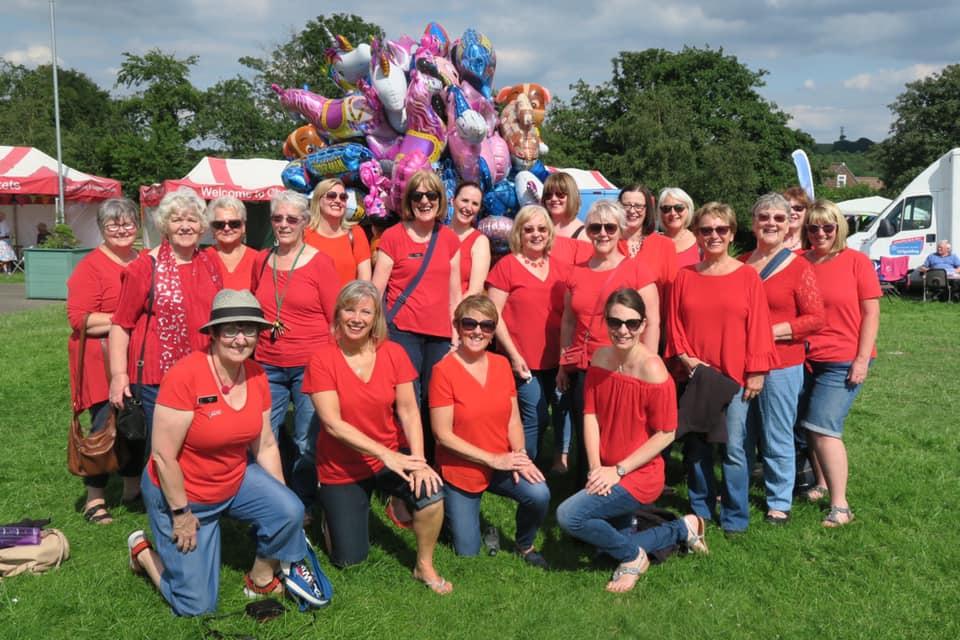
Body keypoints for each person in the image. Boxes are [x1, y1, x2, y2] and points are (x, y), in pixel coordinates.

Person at [126, 289, 327, 616]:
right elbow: (163, 456)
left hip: (233, 479)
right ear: (215, 333)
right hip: (183, 493)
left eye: (249, 330)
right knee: (196, 607)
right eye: (231, 329)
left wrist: (283, 501)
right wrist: (181, 514)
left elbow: (265, 444)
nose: (240, 339)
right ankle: (143, 553)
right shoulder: (185, 375)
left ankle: (261, 578)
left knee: (290, 509)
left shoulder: (257, 375)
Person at [303, 281, 451, 594]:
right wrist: (385, 454)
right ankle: (330, 513)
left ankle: (423, 565)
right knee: (349, 561)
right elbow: (332, 424)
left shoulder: (393, 353)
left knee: (432, 492)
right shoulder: (322, 359)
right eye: (350, 310)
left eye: (365, 312)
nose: (357, 318)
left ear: (376, 318)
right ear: (338, 314)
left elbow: (409, 410)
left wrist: (419, 461)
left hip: (390, 457)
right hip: (342, 468)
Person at [556, 288, 708, 593]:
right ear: (605, 321)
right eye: (615, 322)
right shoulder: (600, 358)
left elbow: (666, 433)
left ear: (643, 325)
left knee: (568, 516)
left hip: (639, 474)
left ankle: (633, 557)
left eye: (631, 323)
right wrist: (595, 468)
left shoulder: (653, 369)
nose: (623, 330)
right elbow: (590, 415)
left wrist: (618, 470)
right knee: (603, 551)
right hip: (607, 469)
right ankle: (683, 527)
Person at [665, 202, 777, 534]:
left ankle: (734, 517)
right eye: (706, 230)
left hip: (735, 377)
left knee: (734, 449)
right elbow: (674, 324)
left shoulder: (747, 277)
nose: (713, 235)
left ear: (731, 234)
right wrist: (685, 358)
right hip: (697, 377)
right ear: (697, 235)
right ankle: (700, 510)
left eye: (721, 229)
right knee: (697, 447)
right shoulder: (684, 277)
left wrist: (757, 371)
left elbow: (759, 326)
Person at [430, 295, 550, 567]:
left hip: (502, 462)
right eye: (469, 323)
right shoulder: (443, 371)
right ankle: (445, 510)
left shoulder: (501, 364)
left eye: (486, 325)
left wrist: (520, 455)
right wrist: (493, 459)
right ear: (457, 326)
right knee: (467, 553)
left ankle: (525, 544)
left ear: (494, 331)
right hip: (462, 469)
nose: (477, 331)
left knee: (539, 494)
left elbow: (513, 419)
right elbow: (442, 435)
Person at [109, 189, 223, 444]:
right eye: (177, 220)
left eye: (192, 219)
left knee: (199, 443)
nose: (185, 226)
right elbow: (120, 325)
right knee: (163, 449)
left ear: (202, 226)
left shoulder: (210, 262)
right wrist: (118, 375)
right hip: (156, 378)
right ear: (165, 225)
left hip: (204, 371)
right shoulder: (143, 268)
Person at [558, 200, 659, 481]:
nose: (602, 233)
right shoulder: (576, 272)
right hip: (585, 367)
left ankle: (623, 488)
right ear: (588, 231)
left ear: (620, 230)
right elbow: (568, 320)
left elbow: (652, 321)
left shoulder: (637, 271)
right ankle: (587, 486)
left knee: (621, 433)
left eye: (610, 227)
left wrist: (647, 364)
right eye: (595, 227)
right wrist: (563, 362)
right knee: (586, 431)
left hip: (624, 368)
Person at [251, 190, 339, 511]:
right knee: (263, 435)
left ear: (305, 222)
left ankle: (304, 503)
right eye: (277, 218)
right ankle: (271, 502)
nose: (284, 224)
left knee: (305, 439)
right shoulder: (261, 260)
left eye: (292, 218)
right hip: (267, 362)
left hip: (309, 365)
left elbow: (335, 319)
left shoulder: (320, 262)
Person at [739, 194, 824, 524]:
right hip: (740, 362)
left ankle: (778, 500)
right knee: (739, 435)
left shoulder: (799, 267)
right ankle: (736, 491)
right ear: (753, 223)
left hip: (782, 363)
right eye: (764, 217)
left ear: (789, 223)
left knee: (776, 434)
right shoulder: (740, 263)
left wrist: (769, 331)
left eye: (778, 217)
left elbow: (815, 318)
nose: (770, 223)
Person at [800, 199, 880, 527]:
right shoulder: (799, 262)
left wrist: (861, 360)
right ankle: (821, 483)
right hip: (805, 358)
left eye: (827, 227)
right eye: (813, 227)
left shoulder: (856, 262)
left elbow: (871, 314)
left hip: (842, 359)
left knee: (823, 427)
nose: (820, 233)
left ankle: (841, 505)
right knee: (809, 426)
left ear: (839, 228)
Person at [67, 198, 144, 523]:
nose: (122, 229)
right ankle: (94, 498)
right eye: (114, 224)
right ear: (101, 228)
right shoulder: (91, 266)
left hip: (137, 356)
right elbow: (79, 319)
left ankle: (132, 488)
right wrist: (124, 316)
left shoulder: (143, 260)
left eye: (127, 223)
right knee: (104, 425)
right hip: (100, 359)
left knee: (136, 421)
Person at [485, 205, 571, 465]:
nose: (536, 234)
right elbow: (494, 315)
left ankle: (551, 460)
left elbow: (569, 316)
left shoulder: (562, 269)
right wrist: (513, 355)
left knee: (559, 409)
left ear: (549, 233)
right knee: (536, 414)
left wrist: (566, 359)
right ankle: (524, 467)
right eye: (529, 229)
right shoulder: (506, 267)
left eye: (542, 229)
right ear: (519, 234)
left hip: (554, 358)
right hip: (521, 359)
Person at [372, 170, 461, 416]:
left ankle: (431, 443)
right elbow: (376, 290)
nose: (424, 201)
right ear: (409, 201)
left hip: (440, 335)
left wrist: (456, 338)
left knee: (436, 400)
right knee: (407, 399)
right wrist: (375, 332)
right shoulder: (393, 236)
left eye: (431, 195)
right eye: (417, 195)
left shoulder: (449, 239)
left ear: (440, 199)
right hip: (403, 331)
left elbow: (455, 296)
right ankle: (406, 442)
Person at [304, 178, 372, 285]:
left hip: (348, 296)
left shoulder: (356, 233)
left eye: (343, 197)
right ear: (318, 200)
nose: (338, 201)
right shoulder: (304, 234)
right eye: (331, 196)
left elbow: (365, 279)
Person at [618, 183, 678, 296]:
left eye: (638, 206)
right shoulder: (610, 243)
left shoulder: (664, 245)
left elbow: (671, 291)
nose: (632, 211)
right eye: (626, 205)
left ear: (647, 209)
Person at [204, 196, 258, 290]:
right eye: (219, 224)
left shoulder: (258, 260)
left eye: (234, 223)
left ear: (243, 226)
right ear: (212, 228)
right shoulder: (202, 259)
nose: (227, 228)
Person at [449, 182, 491, 296]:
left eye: (475, 204)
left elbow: (475, 291)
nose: (468, 208)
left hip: (459, 305)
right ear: (452, 201)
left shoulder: (480, 241)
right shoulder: (436, 233)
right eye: (465, 200)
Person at [542, 172, 591, 265]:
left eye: (560, 194)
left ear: (571, 197)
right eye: (548, 195)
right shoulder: (537, 228)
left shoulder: (584, 235)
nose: (553, 199)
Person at [657, 187, 699, 268]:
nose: (673, 213)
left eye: (679, 208)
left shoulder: (701, 242)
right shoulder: (653, 244)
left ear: (688, 210)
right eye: (666, 209)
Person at [782, 186, 811, 251]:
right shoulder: (772, 239)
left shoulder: (813, 242)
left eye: (798, 208)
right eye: (787, 208)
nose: (791, 212)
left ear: (807, 212)